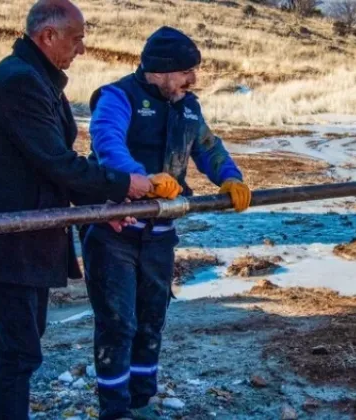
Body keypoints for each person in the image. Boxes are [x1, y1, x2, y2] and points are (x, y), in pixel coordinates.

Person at [0, 1, 153, 418]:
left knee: (24, 343)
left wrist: (100, 207)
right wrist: (122, 184)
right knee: (19, 349)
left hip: (31, 235)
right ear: (48, 36)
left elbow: (55, 162)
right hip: (13, 238)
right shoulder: (19, 83)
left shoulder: (36, 79)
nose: (81, 49)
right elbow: (56, 162)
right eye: (77, 39)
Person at [81, 26, 251, 419]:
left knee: (152, 318)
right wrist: (142, 180)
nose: (193, 80)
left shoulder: (188, 105)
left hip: (160, 236)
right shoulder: (117, 97)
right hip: (114, 232)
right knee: (118, 322)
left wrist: (230, 177)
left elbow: (207, 146)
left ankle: (142, 400)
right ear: (160, 70)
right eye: (186, 71)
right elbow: (106, 143)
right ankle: (114, 409)